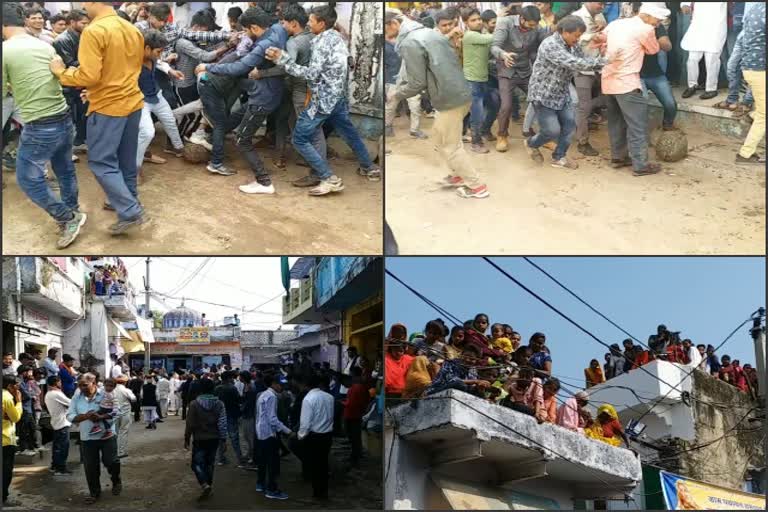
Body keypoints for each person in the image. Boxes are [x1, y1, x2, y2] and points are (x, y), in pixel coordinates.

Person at [50, 1, 148, 235]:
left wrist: (60, 72)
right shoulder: (132, 28)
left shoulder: (94, 31)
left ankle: (130, 209)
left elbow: (89, 75)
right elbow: (127, 68)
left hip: (108, 107)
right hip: (132, 102)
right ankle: (127, 203)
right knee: (125, 160)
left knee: (101, 161)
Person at [265, 4, 382, 196]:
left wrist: (282, 59)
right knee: (348, 132)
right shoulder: (338, 37)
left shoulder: (320, 42)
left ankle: (329, 178)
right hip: (338, 98)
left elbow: (311, 74)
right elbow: (350, 62)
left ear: (322, 23)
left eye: (311, 21)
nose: (308, 24)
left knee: (299, 138)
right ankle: (369, 168)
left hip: (322, 100)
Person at [2, 2, 87, 249]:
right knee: (64, 170)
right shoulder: (44, 45)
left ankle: (68, 217)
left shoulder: (5, 51)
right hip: (63, 116)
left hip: (40, 125)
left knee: (27, 179)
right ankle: (71, 210)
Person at [385, 10, 488, 199]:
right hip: (457, 93)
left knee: (450, 145)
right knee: (440, 139)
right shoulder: (427, 32)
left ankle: (476, 186)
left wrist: (396, 94)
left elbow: (417, 83)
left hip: (450, 99)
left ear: (393, 23)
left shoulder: (410, 42)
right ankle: (458, 175)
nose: (385, 35)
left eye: (384, 28)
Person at [196, 8, 286, 194]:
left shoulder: (262, 46)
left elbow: (239, 68)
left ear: (254, 27)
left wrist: (208, 67)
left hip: (262, 98)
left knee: (242, 139)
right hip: (265, 93)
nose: (244, 35)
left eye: (246, 31)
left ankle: (264, 182)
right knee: (231, 119)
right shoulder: (277, 30)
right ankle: (213, 142)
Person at [525, 15, 607, 170]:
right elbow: (575, 63)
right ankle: (531, 143)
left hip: (562, 93)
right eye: (576, 36)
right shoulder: (550, 45)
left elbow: (583, 60)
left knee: (570, 126)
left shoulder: (572, 45)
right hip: (543, 94)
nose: (578, 39)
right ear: (564, 32)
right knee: (551, 131)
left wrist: (601, 56)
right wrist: (607, 61)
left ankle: (559, 156)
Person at [601, 3, 666, 177]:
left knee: (616, 122)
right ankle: (640, 165)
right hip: (628, 82)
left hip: (608, 80)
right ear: (648, 15)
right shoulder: (645, 29)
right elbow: (654, 49)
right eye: (657, 20)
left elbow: (601, 40)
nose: (658, 24)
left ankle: (618, 157)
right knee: (638, 125)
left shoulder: (616, 23)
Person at [491, 5, 548, 152]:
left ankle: (541, 135)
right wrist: (503, 55)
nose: (532, 28)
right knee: (506, 106)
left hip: (525, 70)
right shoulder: (506, 23)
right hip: (506, 70)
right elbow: (494, 46)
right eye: (530, 24)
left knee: (539, 101)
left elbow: (546, 42)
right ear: (522, 19)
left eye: (535, 25)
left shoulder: (536, 27)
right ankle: (502, 135)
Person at [135, 29, 186, 171]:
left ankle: (179, 148)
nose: (160, 55)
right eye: (158, 51)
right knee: (147, 132)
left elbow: (159, 63)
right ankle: (135, 167)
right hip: (140, 101)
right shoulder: (131, 61)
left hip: (157, 95)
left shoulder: (153, 56)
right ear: (146, 48)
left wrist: (171, 71)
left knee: (170, 121)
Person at [66, 373, 121, 504]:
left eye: (84, 385)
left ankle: (116, 479)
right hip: (87, 438)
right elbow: (69, 416)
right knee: (90, 467)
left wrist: (101, 417)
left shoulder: (107, 394)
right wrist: (85, 416)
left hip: (107, 435)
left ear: (94, 383)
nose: (81, 388)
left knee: (111, 461)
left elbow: (118, 411)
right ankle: (94, 493)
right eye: (79, 385)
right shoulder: (76, 397)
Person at [572, 2, 607, 157]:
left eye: (604, 3)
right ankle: (582, 142)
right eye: (599, 3)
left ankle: (581, 114)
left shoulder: (600, 17)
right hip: (582, 69)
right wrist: (591, 36)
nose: (602, 6)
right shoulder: (577, 17)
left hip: (599, 67)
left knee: (608, 98)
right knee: (584, 107)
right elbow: (571, 39)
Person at [52, 9, 90, 153]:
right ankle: (69, 146)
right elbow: (70, 63)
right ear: (73, 22)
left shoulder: (83, 36)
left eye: (87, 23)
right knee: (71, 117)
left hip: (81, 81)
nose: (86, 25)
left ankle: (79, 141)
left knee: (82, 114)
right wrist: (90, 66)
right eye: (83, 23)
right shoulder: (62, 40)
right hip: (69, 83)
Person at [184, 376, 227, 501]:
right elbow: (222, 423)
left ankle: (204, 485)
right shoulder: (219, 403)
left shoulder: (194, 404)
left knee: (196, 464)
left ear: (200, 389)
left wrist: (186, 438)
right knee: (210, 463)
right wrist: (223, 440)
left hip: (199, 438)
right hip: (214, 438)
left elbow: (190, 424)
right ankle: (209, 485)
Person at [735, 2, 765, 166]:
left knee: (761, 110)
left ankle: (751, 116)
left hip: (751, 67)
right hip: (760, 69)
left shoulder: (756, 8)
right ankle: (745, 154)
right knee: (764, 115)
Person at [255, 374, 292, 500]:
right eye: (280, 384)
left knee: (263, 460)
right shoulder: (272, 397)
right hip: (269, 433)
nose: (282, 387)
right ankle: (272, 489)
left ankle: (260, 484)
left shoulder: (263, 395)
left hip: (261, 432)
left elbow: (261, 416)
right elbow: (272, 419)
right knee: (273, 463)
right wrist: (288, 431)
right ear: (273, 384)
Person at [298, 374, 335, 500]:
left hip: (314, 436)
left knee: (315, 466)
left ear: (307, 385)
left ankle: (317, 493)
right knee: (324, 464)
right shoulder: (329, 397)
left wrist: (301, 436)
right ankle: (324, 492)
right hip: (327, 436)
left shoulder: (308, 399)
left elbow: (305, 423)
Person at [681, 2, 727, 100]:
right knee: (692, 59)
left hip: (716, 26)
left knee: (711, 60)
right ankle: (692, 86)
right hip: (698, 25)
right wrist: (685, 4)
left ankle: (711, 89)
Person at [640, 7, 676, 132]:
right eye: (658, 20)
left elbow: (667, 46)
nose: (659, 23)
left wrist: (656, 37)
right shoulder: (633, 27)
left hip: (655, 73)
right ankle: (641, 134)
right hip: (636, 75)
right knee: (641, 105)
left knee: (670, 104)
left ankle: (668, 126)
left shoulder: (657, 27)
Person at [214, 371, 244, 466]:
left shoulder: (217, 388)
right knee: (234, 437)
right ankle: (239, 459)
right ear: (228, 378)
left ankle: (220, 458)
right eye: (231, 378)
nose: (232, 379)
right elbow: (239, 400)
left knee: (221, 437)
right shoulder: (232, 388)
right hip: (231, 414)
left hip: (220, 415)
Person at [44, 375, 72, 475]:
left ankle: (55, 466)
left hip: (56, 423)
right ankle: (61, 469)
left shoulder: (49, 394)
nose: (61, 383)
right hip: (62, 423)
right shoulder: (56, 394)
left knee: (57, 447)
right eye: (60, 382)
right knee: (63, 448)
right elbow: (71, 403)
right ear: (56, 383)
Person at [3, 375, 24, 507]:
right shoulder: (8, 398)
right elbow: (15, 417)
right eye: (16, 385)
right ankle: (3, 497)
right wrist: (19, 401)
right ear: (9, 386)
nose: (19, 387)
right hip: (5, 440)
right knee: (5, 471)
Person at [342, 367, 370, 467]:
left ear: (354, 375)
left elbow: (351, 404)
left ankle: (355, 456)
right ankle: (356, 454)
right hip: (357, 414)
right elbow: (366, 401)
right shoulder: (362, 387)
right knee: (356, 436)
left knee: (353, 437)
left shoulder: (355, 388)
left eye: (351, 375)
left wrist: (343, 403)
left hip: (352, 415)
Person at [112, 375, 136, 459]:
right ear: (125, 382)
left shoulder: (112, 390)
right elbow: (133, 399)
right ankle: (121, 451)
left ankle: (113, 451)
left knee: (115, 432)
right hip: (125, 413)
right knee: (123, 431)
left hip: (114, 413)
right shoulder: (126, 390)